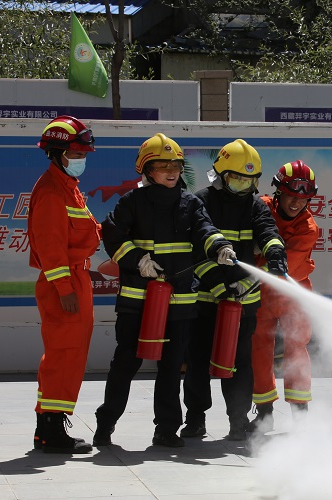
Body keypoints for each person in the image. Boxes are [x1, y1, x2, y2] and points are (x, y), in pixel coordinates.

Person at [93, 133, 237, 448]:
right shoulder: (131, 202)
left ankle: (167, 429)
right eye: (162, 165)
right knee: (126, 363)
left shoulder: (190, 203)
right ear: (147, 169)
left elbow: (205, 229)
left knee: (171, 367)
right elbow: (113, 235)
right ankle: (106, 423)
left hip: (179, 303)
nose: (171, 171)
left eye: (176, 165)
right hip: (137, 301)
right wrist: (138, 260)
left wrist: (220, 246)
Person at [181, 139, 287, 441]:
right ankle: (195, 419)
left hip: (243, 300)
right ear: (220, 175)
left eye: (249, 180)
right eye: (236, 178)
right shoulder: (200, 202)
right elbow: (195, 250)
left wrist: (275, 250)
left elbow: (268, 231)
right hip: (205, 298)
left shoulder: (255, 206)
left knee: (240, 364)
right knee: (197, 361)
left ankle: (238, 422)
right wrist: (218, 285)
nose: (243, 185)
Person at [28, 116, 101, 454]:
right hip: (65, 283)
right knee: (63, 355)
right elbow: (50, 246)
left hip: (76, 279)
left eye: (83, 154)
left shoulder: (68, 187)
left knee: (70, 355)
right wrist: (64, 289)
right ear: (56, 154)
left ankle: (50, 426)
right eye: (75, 154)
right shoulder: (52, 191)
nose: (81, 159)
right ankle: (51, 431)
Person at [247, 160, 319, 433]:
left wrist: (259, 258)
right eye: (291, 195)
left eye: (303, 198)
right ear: (278, 191)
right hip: (262, 293)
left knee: (296, 348)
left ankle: (301, 414)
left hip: (293, 292)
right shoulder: (261, 207)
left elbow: (286, 266)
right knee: (259, 348)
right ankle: (264, 413)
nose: (296, 202)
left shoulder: (308, 228)